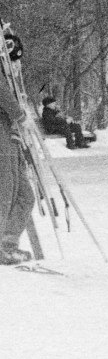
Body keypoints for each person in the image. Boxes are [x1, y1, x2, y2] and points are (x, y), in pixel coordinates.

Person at [0, 62, 36, 266]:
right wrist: (20, 115)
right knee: (5, 190)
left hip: (10, 132)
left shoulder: (6, 66)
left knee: (24, 194)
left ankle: (8, 242)